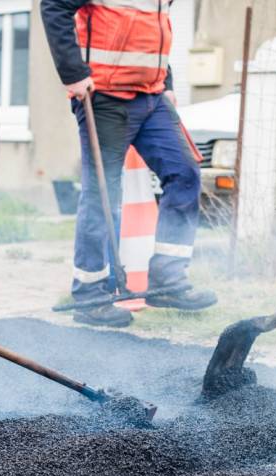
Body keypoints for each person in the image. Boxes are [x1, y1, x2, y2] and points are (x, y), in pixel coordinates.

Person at [41, 0, 217, 328]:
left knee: (185, 172)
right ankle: (91, 295)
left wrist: (168, 83)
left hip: (152, 96)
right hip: (105, 96)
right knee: (103, 194)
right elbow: (53, 6)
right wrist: (73, 73)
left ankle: (167, 280)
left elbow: (153, 36)